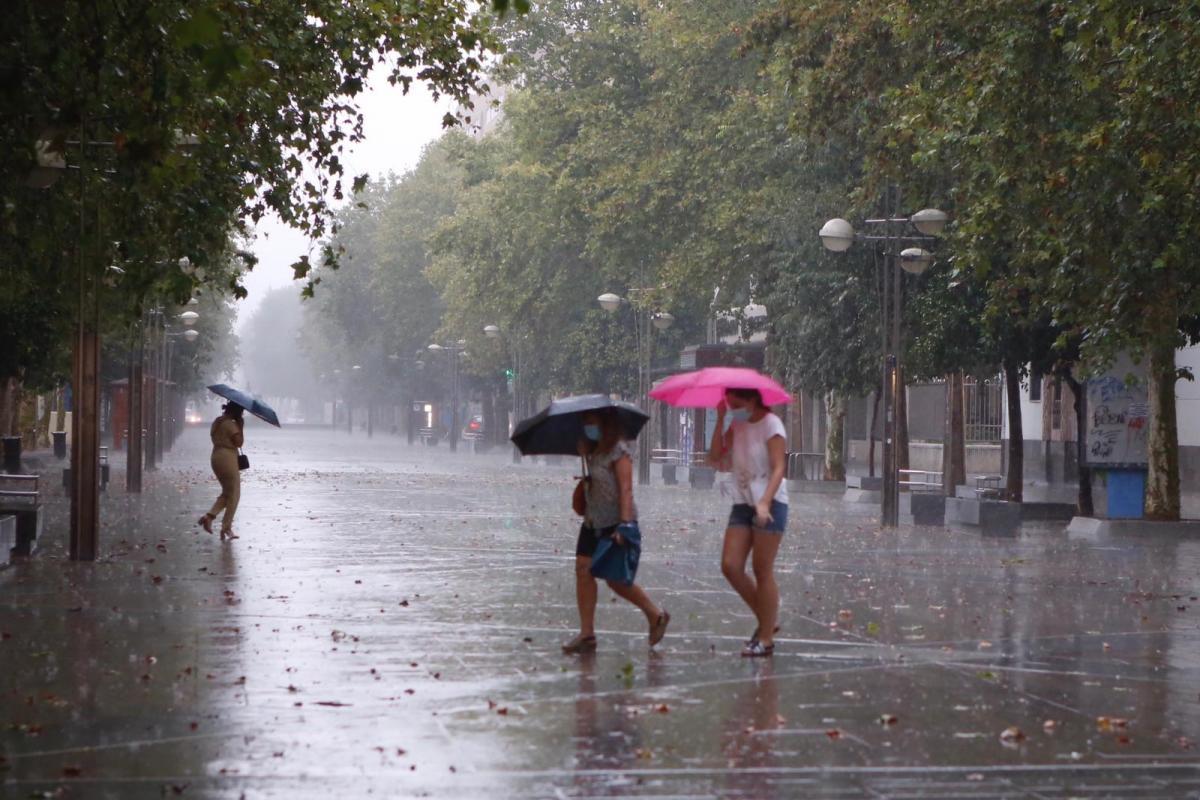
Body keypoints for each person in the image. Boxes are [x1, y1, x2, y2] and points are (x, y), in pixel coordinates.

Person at [562, 409, 670, 654]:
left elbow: (626, 489)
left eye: (592, 421)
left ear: (604, 422)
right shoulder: (590, 450)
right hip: (592, 520)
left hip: (615, 522)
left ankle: (655, 615)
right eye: (585, 423)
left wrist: (624, 524)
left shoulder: (619, 450)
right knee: (583, 570)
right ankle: (587, 634)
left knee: (615, 579)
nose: (588, 426)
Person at [709, 388, 788, 657]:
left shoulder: (772, 425)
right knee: (730, 565)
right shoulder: (737, 424)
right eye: (730, 404)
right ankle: (768, 619)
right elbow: (715, 459)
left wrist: (765, 501)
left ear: (753, 400)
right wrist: (720, 420)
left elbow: (779, 467)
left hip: (771, 503)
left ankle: (765, 638)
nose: (733, 408)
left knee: (761, 569)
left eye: (737, 404)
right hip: (742, 503)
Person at [198, 402, 245, 541]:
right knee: (234, 494)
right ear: (237, 412)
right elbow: (239, 442)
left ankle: (209, 517)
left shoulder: (217, 422)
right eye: (241, 412)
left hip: (216, 456)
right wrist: (240, 427)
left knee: (227, 492)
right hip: (227, 457)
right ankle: (226, 527)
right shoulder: (230, 425)